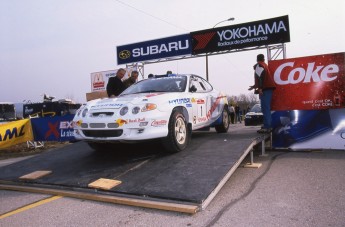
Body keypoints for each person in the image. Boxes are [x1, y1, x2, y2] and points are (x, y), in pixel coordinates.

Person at [249, 54, 276, 133]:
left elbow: (260, 77)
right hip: (268, 88)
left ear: (257, 59)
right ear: (263, 59)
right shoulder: (264, 65)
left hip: (265, 89)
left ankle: (267, 126)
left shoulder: (259, 65)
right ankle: (267, 125)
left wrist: (260, 88)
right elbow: (263, 77)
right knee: (266, 107)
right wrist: (255, 86)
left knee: (265, 108)